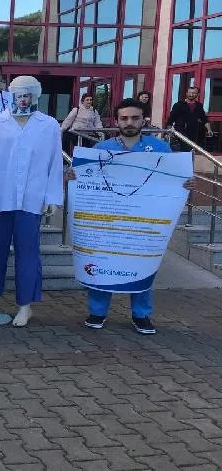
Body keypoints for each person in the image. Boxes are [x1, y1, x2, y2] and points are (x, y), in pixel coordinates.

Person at [65, 98, 195, 334]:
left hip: (142, 222)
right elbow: (84, 178)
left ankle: (141, 315)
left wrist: (185, 182)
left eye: (135, 118)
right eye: (124, 118)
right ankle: (97, 312)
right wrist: (73, 177)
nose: (129, 122)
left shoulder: (160, 150)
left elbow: (174, 180)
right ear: (116, 121)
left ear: (143, 119)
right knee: (104, 262)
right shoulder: (101, 151)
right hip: (109, 221)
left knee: (141, 263)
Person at [0, 76, 63, 327]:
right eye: (19, 93)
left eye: (28, 93)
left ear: (37, 95)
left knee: (28, 253)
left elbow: (55, 163)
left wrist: (53, 196)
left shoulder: (49, 125)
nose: (23, 97)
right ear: (10, 94)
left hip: (32, 198)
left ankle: (25, 305)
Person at [168, 86, 213, 151]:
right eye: (190, 93)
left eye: (194, 93)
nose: (191, 94)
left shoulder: (199, 106)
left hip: (193, 134)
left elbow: (204, 119)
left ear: (197, 94)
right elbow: (171, 119)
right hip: (180, 133)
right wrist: (169, 132)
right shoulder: (179, 105)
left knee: (190, 152)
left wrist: (209, 129)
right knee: (182, 151)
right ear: (186, 93)